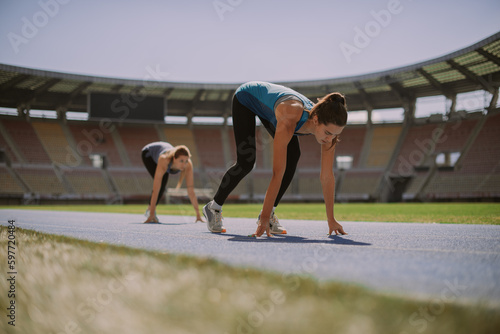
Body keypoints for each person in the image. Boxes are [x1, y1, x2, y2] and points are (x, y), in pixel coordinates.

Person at [203, 81, 348, 237]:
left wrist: (331, 219)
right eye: (327, 133)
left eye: (335, 134)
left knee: (293, 156)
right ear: (316, 120)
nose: (330, 139)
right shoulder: (290, 117)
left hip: (272, 108)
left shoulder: (328, 133)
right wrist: (263, 220)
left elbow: (327, 177)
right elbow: (277, 173)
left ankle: (269, 213)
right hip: (246, 98)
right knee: (246, 162)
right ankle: (214, 207)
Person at [141, 141, 203, 223]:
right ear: (174, 158)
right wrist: (151, 213)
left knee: (163, 184)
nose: (184, 165)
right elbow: (156, 189)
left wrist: (198, 215)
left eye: (186, 161)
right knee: (161, 184)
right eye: (181, 161)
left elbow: (190, 190)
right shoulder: (164, 160)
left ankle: (150, 210)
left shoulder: (188, 165)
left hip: (165, 149)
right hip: (148, 153)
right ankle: (150, 211)